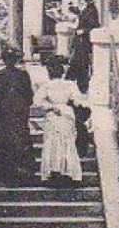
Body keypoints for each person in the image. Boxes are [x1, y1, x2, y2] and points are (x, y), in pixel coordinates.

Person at [0, 45, 36, 183]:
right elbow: (30, 96)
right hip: (18, 112)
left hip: (6, 113)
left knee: (5, 142)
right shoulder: (23, 75)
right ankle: (21, 173)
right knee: (19, 140)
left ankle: (8, 174)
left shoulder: (1, 74)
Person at [35, 55, 87, 186]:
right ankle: (67, 170)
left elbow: (37, 101)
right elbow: (78, 100)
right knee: (67, 142)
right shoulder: (70, 85)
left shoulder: (46, 86)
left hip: (53, 114)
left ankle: (54, 170)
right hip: (66, 114)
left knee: (53, 142)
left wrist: (51, 106)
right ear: (62, 71)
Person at [70, 0, 100, 93]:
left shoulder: (92, 10)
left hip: (84, 42)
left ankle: (81, 87)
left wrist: (83, 31)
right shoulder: (88, 9)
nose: (86, 0)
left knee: (81, 64)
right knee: (78, 64)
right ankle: (78, 86)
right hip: (80, 42)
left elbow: (94, 26)